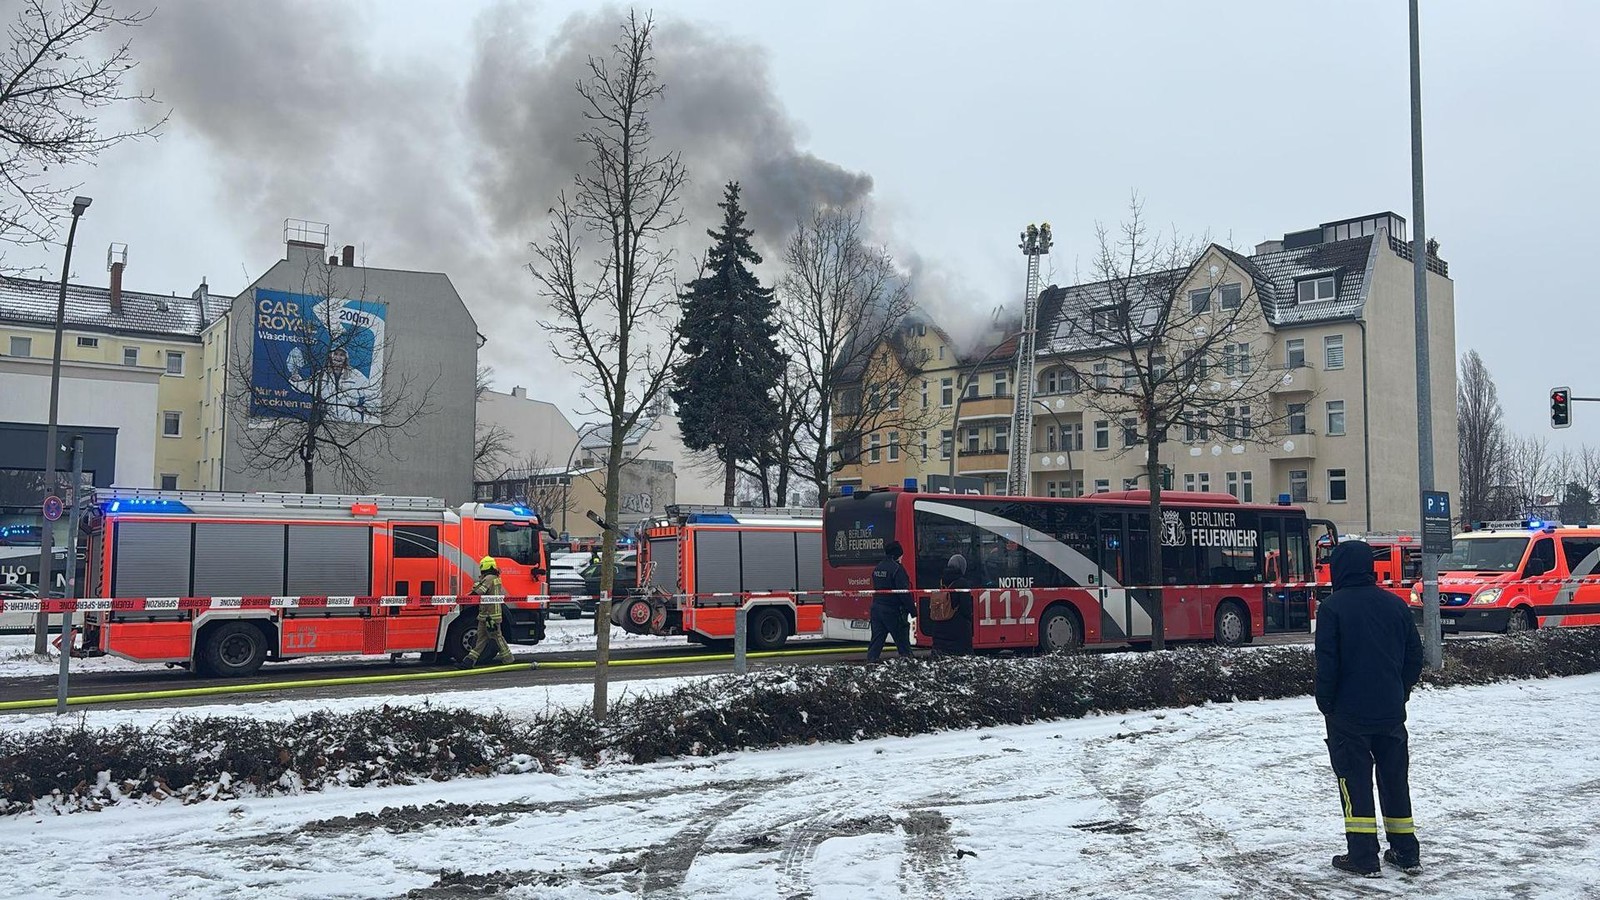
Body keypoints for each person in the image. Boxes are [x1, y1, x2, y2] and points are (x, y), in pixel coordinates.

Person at [1315, 540, 1425, 878]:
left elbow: (1327, 665)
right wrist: (1401, 692)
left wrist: (1327, 704)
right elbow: (1414, 657)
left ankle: (1363, 857)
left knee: (1354, 782)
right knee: (1395, 780)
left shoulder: (1332, 609)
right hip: (1391, 712)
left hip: (1348, 715)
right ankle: (1405, 851)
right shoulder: (1396, 606)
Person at [459, 556, 513, 669]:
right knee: (481, 638)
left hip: (491, 615)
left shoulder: (489, 578)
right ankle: (469, 661)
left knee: (497, 636)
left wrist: (466, 598)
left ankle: (508, 658)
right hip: (486, 614)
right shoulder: (494, 577)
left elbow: (479, 591)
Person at [866, 540, 915, 662]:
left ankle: (871, 664)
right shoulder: (897, 569)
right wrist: (913, 610)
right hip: (893, 611)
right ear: (897, 554)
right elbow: (903, 593)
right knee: (902, 642)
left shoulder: (878, 568)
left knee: (876, 641)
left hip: (877, 609)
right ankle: (908, 666)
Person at [924, 553, 974, 657]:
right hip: (957, 630)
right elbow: (966, 609)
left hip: (940, 629)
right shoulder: (962, 584)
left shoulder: (941, 580)